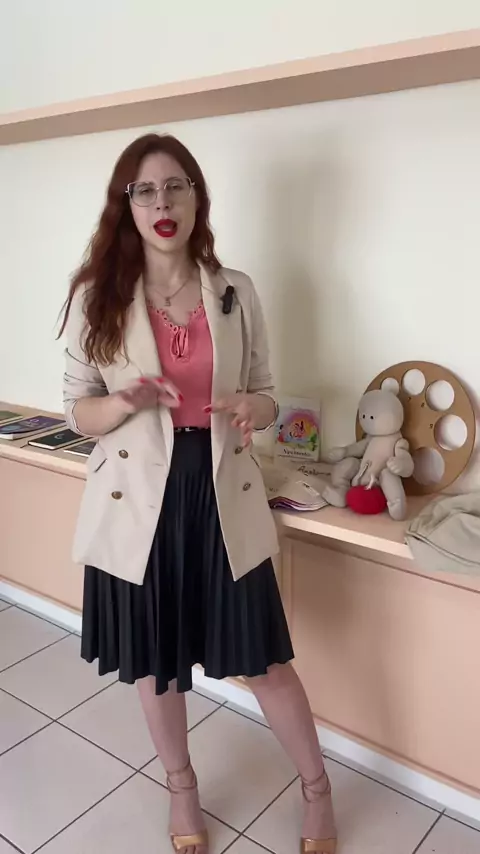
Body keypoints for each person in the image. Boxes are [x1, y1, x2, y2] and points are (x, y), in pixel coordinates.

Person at [59, 133, 336, 854]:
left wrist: (254, 408)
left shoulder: (234, 289)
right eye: (145, 190)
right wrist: (123, 401)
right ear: (126, 205)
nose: (163, 202)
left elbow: (267, 393)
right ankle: (181, 789)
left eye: (176, 186)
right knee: (157, 662)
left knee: (262, 659)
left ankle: (317, 789)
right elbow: (78, 410)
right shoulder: (97, 295)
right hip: (138, 499)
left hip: (220, 488)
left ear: (195, 197)